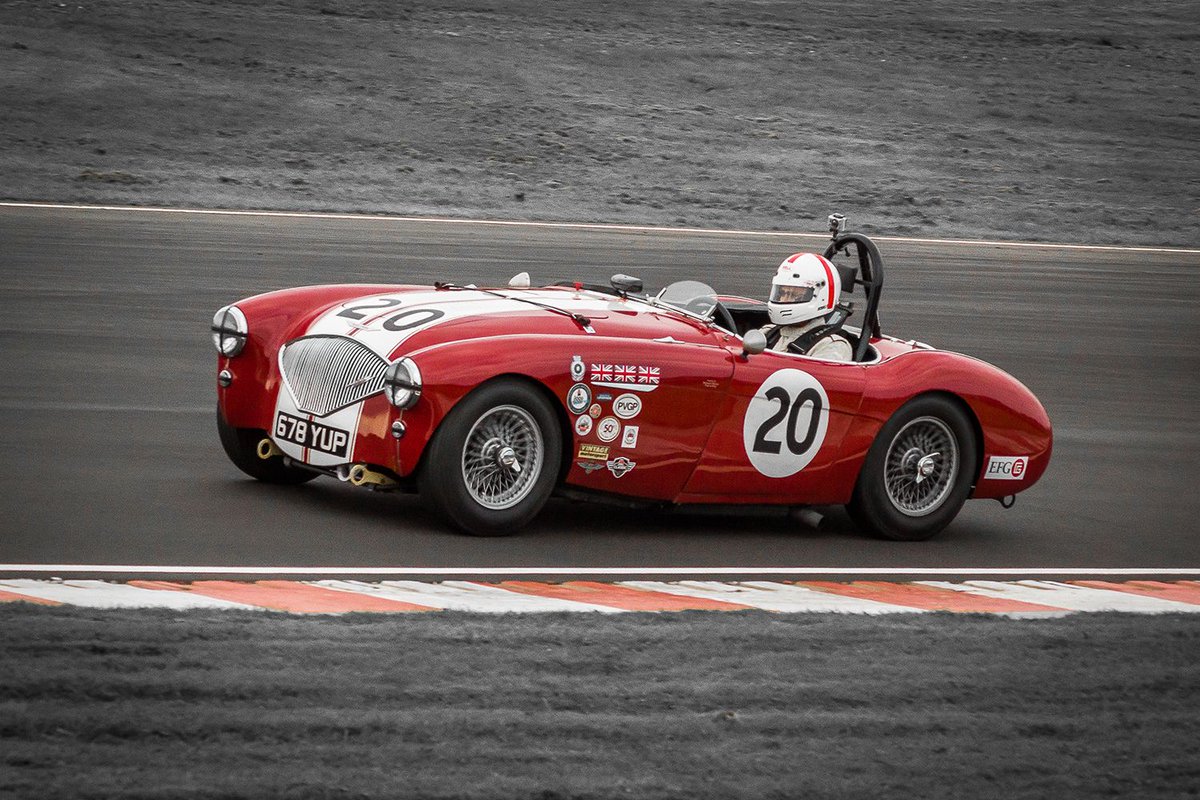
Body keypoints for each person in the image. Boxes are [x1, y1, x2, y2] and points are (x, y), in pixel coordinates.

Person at [763, 252, 853, 361]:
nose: (784, 300)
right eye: (781, 293)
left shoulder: (832, 346)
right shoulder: (768, 333)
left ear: (821, 296)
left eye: (795, 295)